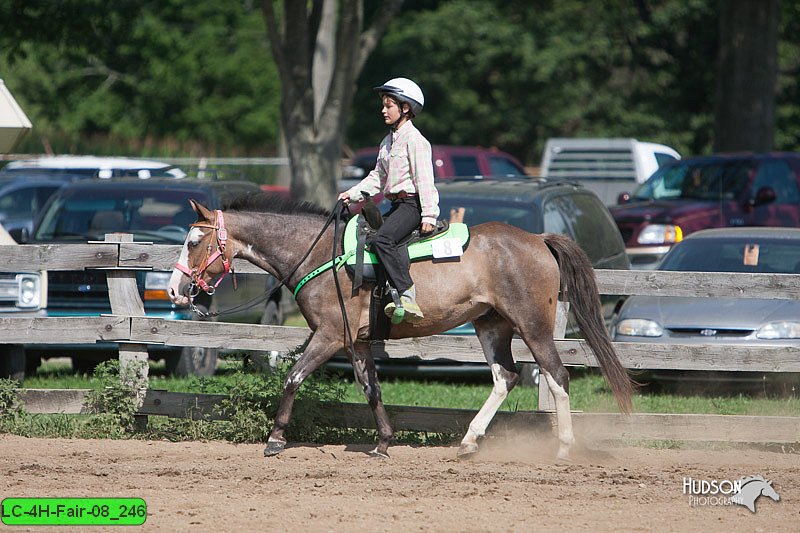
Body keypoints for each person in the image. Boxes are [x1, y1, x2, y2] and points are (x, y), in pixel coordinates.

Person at [338, 77, 439, 324]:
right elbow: (377, 177)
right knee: (369, 237)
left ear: (405, 108)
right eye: (383, 105)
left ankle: (407, 295)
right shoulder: (387, 142)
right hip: (395, 205)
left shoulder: (415, 141)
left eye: (389, 105)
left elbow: (424, 179)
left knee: (383, 239)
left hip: (412, 205)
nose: (383, 110)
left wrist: (429, 214)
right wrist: (352, 193)